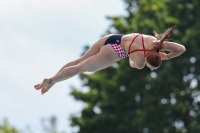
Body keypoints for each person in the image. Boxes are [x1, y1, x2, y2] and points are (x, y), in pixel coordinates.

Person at [34, 26, 186, 94]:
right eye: (150, 66)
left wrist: (167, 55)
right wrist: (165, 58)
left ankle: (53, 79)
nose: (148, 68)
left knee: (79, 61)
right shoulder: (140, 61)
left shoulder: (158, 43)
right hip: (115, 51)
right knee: (81, 68)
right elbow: (131, 63)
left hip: (112, 38)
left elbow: (181, 48)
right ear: (148, 60)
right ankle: (52, 80)